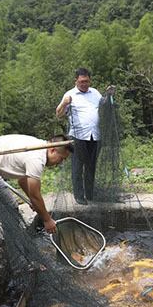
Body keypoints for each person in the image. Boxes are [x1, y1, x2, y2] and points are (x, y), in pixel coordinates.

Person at [0, 134, 73, 248]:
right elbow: (35, 195)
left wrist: (33, 201)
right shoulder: (37, 158)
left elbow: (22, 181)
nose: (60, 162)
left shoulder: (38, 147)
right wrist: (47, 220)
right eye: (62, 158)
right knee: (10, 206)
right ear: (52, 150)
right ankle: (17, 256)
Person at [56, 68, 109, 205]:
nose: (84, 84)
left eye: (87, 81)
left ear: (90, 80)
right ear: (76, 81)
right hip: (77, 136)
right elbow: (59, 113)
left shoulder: (95, 92)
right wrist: (64, 103)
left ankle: (90, 194)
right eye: (81, 82)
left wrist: (109, 95)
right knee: (78, 166)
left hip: (94, 135)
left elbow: (103, 104)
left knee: (91, 166)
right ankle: (79, 195)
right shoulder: (70, 95)